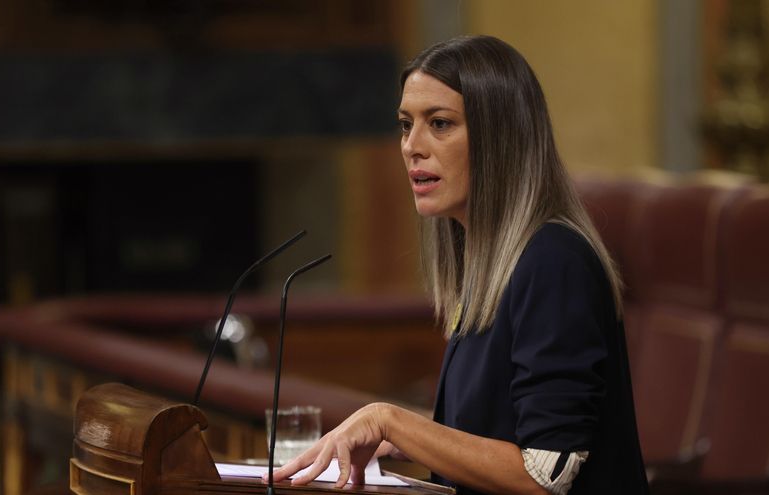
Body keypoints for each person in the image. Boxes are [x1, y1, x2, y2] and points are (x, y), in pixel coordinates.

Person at [267, 35, 649, 494]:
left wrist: (391, 421)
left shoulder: (554, 260)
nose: (412, 146)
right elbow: (499, 428)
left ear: (500, 139)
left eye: (440, 123)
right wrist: (407, 441)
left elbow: (545, 474)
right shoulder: (488, 261)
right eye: (405, 125)